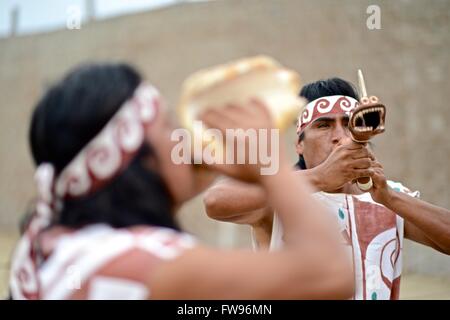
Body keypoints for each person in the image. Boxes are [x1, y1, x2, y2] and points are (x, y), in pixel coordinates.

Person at [9, 63, 354, 300]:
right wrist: (271, 166)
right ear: (135, 159)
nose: (183, 138)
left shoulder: (65, 245)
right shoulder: (142, 261)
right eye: (168, 126)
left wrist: (224, 160)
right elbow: (332, 275)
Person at [204, 77, 450, 300]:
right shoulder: (284, 193)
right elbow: (215, 201)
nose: (339, 136)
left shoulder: (389, 195)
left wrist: (390, 198)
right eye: (324, 125)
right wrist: (319, 178)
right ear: (299, 144)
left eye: (349, 124)